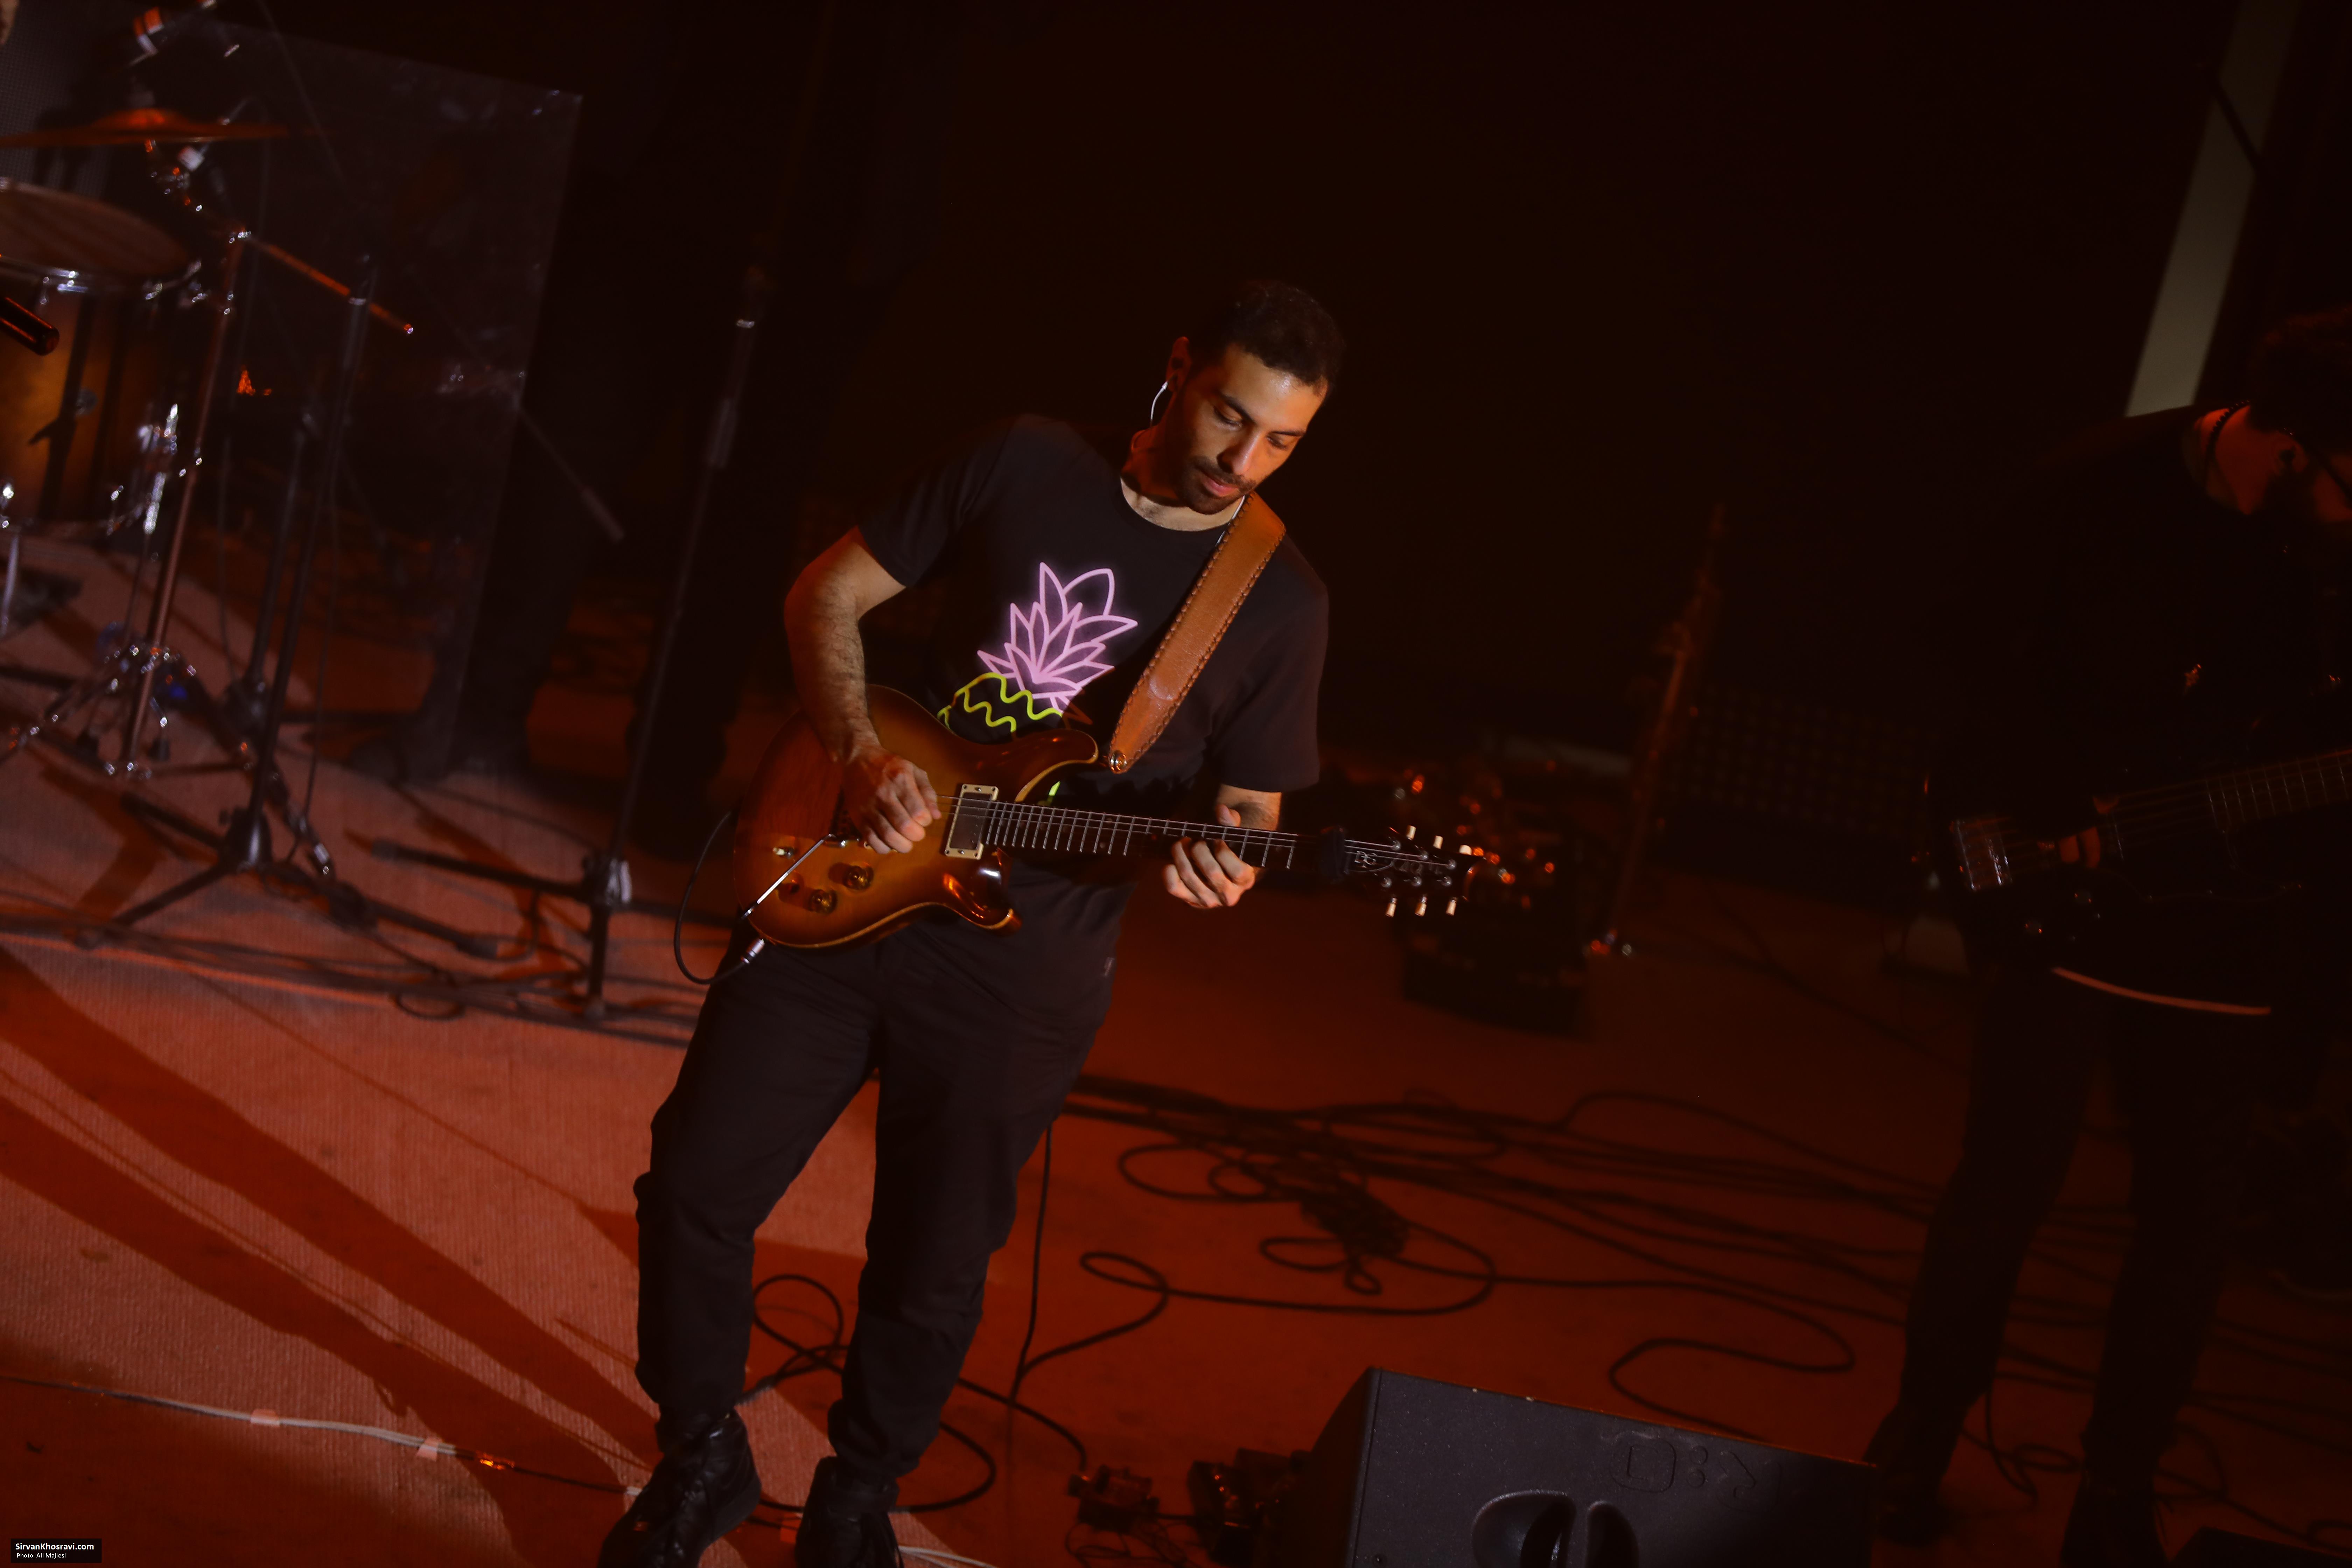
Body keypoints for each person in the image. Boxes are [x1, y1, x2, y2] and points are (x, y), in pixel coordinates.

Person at [597, 280, 1342, 1568]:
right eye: (1232, 415)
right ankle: (702, 1451)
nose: (1244, 460)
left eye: (1282, 440)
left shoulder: (1279, 600)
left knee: (933, 1266)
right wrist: (854, 752)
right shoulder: (1024, 460)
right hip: (858, 871)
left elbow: (1249, 814)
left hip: (1024, 967)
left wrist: (1224, 867)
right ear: (1179, 367)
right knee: (696, 1184)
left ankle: (855, 1501)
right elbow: (826, 597)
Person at [1869, 307, 2352, 1567]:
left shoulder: (2326, 562)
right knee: (2004, 1189)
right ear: (2290, 446)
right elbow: (1965, 638)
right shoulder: (2097, 485)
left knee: (2191, 1231)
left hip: (2234, 930)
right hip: (2067, 889)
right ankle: (1917, 1440)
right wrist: (2043, 794)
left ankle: (2117, 1492)